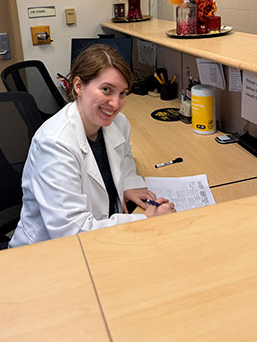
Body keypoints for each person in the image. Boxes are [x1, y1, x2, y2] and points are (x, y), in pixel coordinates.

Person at [9, 44, 175, 247]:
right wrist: (146, 220)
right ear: (78, 86)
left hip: (102, 234)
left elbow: (125, 158)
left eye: (122, 93)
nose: (115, 104)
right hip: (51, 252)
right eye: (106, 90)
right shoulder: (54, 144)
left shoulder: (117, 123)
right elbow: (72, 232)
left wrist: (129, 185)